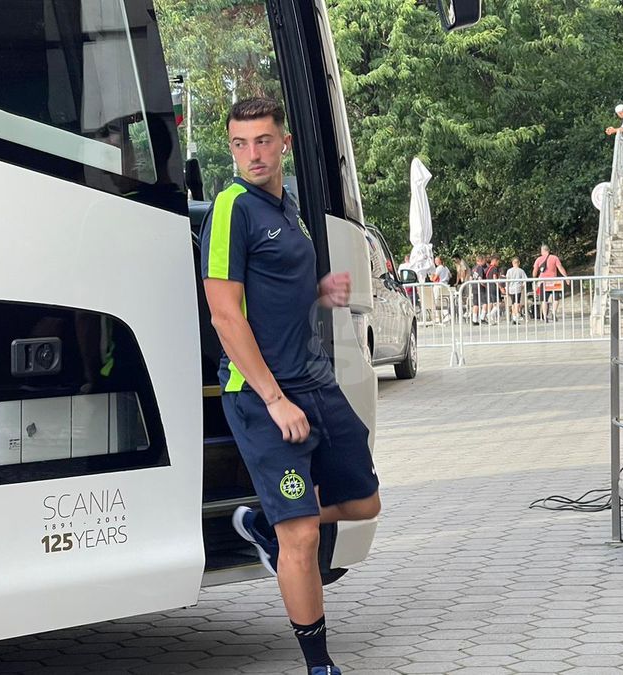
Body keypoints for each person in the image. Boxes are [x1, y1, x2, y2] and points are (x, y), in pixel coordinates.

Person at [200, 97, 381, 675]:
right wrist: (274, 399)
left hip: (316, 382)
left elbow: (277, 290)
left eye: (262, 141)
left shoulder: (290, 208)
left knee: (363, 502)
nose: (252, 154)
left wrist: (320, 290)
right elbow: (225, 314)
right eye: (239, 144)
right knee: (300, 535)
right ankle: (319, 664)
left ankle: (262, 521)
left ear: (284, 144)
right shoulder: (232, 207)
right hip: (261, 396)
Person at [532, 244, 568, 321]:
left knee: (544, 300)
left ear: (542, 251)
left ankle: (545, 316)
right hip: (554, 281)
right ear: (548, 250)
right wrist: (566, 277)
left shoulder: (538, 259)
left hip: (543, 281)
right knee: (556, 298)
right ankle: (554, 313)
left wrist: (534, 279)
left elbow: (534, 272)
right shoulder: (554, 258)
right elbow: (560, 268)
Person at [505, 257, 528, 324]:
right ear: (519, 263)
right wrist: (522, 286)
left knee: (512, 303)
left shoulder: (509, 271)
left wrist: (507, 288)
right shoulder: (521, 270)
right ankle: (516, 315)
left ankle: (514, 316)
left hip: (511, 289)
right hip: (518, 288)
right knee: (517, 302)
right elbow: (525, 280)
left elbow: (507, 280)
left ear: (512, 263)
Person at [469, 254, 487, 325]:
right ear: (480, 260)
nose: (485, 262)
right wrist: (485, 285)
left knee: (475, 304)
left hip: (474, 287)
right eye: (484, 260)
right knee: (485, 303)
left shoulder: (473, 268)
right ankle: (482, 317)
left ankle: (474, 319)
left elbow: (470, 277)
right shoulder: (480, 268)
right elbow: (480, 278)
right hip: (480, 287)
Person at [484, 255, 503, 324]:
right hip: (494, 287)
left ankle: (492, 320)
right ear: (494, 261)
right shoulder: (494, 268)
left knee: (493, 303)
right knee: (499, 303)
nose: (498, 263)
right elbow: (495, 278)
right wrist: (500, 287)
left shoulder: (487, 268)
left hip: (488, 287)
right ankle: (490, 314)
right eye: (498, 262)